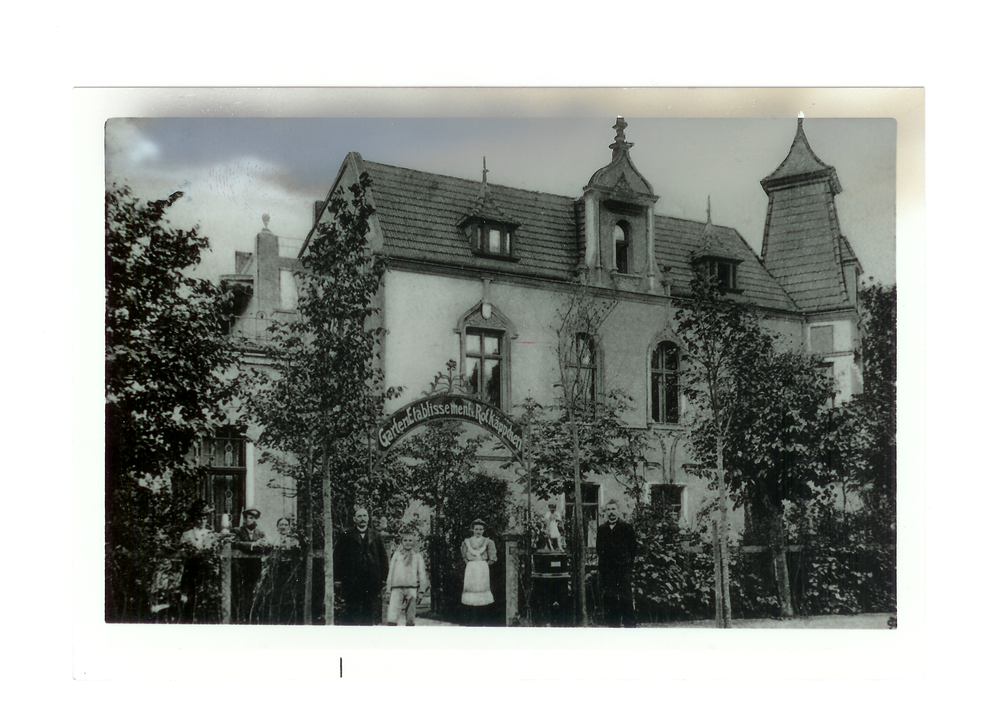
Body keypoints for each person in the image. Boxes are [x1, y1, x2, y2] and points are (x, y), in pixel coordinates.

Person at [333, 505, 389, 625]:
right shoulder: (346, 535)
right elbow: (338, 557)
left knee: (368, 612)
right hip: (352, 580)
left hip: (371, 580)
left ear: (368, 518)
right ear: (354, 519)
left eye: (364, 516)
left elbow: (383, 559)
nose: (362, 518)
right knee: (351, 611)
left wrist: (383, 578)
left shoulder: (376, 536)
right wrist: (337, 578)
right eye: (359, 516)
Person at [595, 499, 638, 628]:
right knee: (610, 598)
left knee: (626, 597)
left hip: (623, 570)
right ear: (605, 512)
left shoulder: (626, 527)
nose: (611, 512)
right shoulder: (602, 529)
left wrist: (627, 565)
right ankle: (613, 626)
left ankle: (629, 626)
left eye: (613, 509)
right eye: (608, 510)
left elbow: (633, 548)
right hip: (608, 571)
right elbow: (599, 549)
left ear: (618, 511)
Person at [178, 500, 220, 623]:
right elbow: (182, 554)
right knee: (190, 598)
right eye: (200, 518)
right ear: (194, 518)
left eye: (205, 518)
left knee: (205, 598)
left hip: (206, 572)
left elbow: (215, 553)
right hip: (190, 570)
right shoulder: (187, 535)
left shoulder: (211, 535)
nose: (202, 521)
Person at [257, 517, 300, 624]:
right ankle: (273, 620)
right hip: (274, 571)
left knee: (287, 596)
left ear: (289, 527)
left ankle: (286, 620)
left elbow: (298, 556)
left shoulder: (294, 540)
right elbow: (266, 553)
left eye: (285, 525)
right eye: (281, 524)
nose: (283, 527)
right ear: (277, 527)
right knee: (273, 595)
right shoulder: (273, 539)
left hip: (288, 571)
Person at [385, 530, 428, 626]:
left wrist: (421, 591)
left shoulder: (417, 556)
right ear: (401, 542)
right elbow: (391, 572)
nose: (408, 543)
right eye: (405, 540)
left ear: (414, 542)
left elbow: (422, 574)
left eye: (410, 540)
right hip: (397, 588)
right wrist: (388, 590)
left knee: (410, 616)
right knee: (392, 614)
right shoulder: (396, 555)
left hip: (412, 588)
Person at [460, 518, 497, 625]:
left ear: (484, 530)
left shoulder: (488, 542)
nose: (478, 531)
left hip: (482, 567)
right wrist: (470, 563)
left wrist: (483, 564)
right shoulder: (466, 542)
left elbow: (493, 557)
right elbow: (463, 555)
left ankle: (482, 617)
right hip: (471, 567)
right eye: (476, 529)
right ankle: (471, 617)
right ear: (472, 529)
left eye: (481, 529)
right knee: (471, 589)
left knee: (482, 589)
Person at [232, 507, 266, 623]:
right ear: (244, 520)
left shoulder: (260, 532)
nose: (254, 521)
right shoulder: (237, 531)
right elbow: (236, 543)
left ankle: (251, 617)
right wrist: (253, 545)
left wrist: (264, 544)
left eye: (255, 518)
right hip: (240, 567)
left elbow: (265, 543)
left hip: (255, 567)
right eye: (251, 518)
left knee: (253, 592)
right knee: (240, 592)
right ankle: (238, 617)